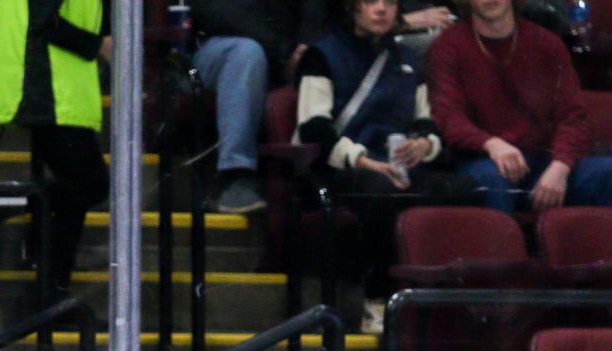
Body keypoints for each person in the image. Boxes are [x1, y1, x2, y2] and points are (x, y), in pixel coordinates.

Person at [295, 0, 478, 332]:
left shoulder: (407, 58)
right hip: (340, 169)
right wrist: (363, 160)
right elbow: (314, 128)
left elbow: (425, 120)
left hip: (397, 165)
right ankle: (377, 300)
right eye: (370, 2)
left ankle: (445, 310)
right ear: (351, 8)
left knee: (462, 189)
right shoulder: (321, 55)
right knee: (380, 192)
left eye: (390, 2)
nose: (381, 9)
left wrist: (424, 145)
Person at [427, 0, 612, 214]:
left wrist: (561, 166)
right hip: (483, 160)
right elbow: (448, 117)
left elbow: (572, 116)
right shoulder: (448, 46)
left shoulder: (546, 42)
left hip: (544, 160)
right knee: (490, 180)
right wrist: (491, 144)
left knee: (608, 171)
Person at [0, 0, 111, 290]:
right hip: (48, 88)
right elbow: (43, 20)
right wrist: (98, 45)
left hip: (53, 88)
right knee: (89, 184)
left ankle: (54, 286)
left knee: (77, 190)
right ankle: (1, 209)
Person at [190, 0, 329, 212]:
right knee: (246, 53)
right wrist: (283, 52)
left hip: (280, 52)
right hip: (218, 47)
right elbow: (216, 13)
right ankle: (235, 174)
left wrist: (305, 46)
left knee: (323, 54)